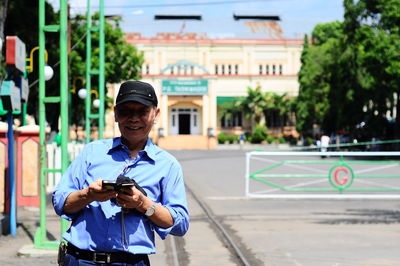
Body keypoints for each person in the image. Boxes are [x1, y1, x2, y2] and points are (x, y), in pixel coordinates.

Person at [52, 80, 189, 265]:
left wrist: (143, 204)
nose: (133, 119)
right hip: (80, 259)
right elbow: (61, 201)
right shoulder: (92, 152)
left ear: (155, 114)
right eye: (125, 112)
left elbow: (180, 223)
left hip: (131, 262)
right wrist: (89, 195)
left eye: (142, 112)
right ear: (116, 114)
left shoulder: (168, 165)